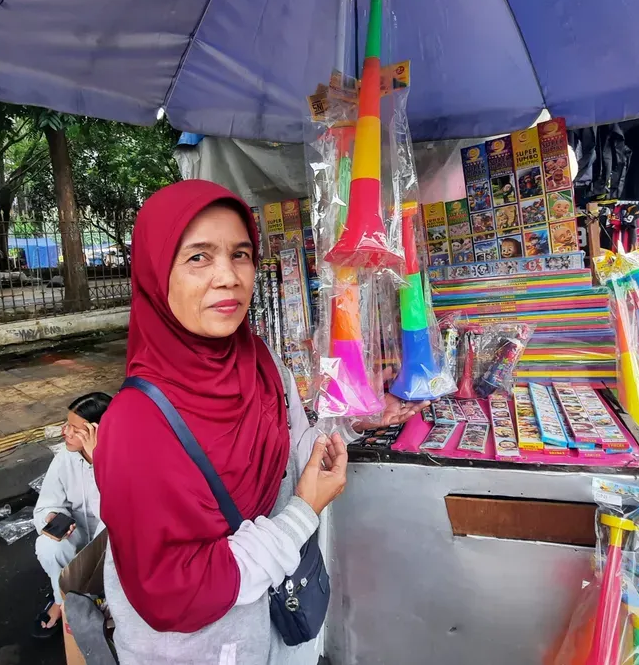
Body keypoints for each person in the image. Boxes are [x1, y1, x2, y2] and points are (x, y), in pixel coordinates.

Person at [94, 180, 421, 664]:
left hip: (282, 633)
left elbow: (293, 452)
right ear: (155, 274)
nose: (228, 276)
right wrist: (301, 516)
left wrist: (355, 423)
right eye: (199, 257)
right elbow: (171, 592)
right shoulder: (134, 425)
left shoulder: (261, 362)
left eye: (240, 254)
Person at [32, 391, 111, 637]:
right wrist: (52, 517)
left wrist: (100, 461)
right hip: (77, 532)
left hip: (113, 540)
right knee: (49, 546)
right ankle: (62, 599)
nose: (65, 432)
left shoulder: (123, 457)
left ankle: (106, 600)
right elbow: (47, 503)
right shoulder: (65, 458)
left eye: (75, 429)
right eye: (66, 424)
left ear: (97, 431)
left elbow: (125, 509)